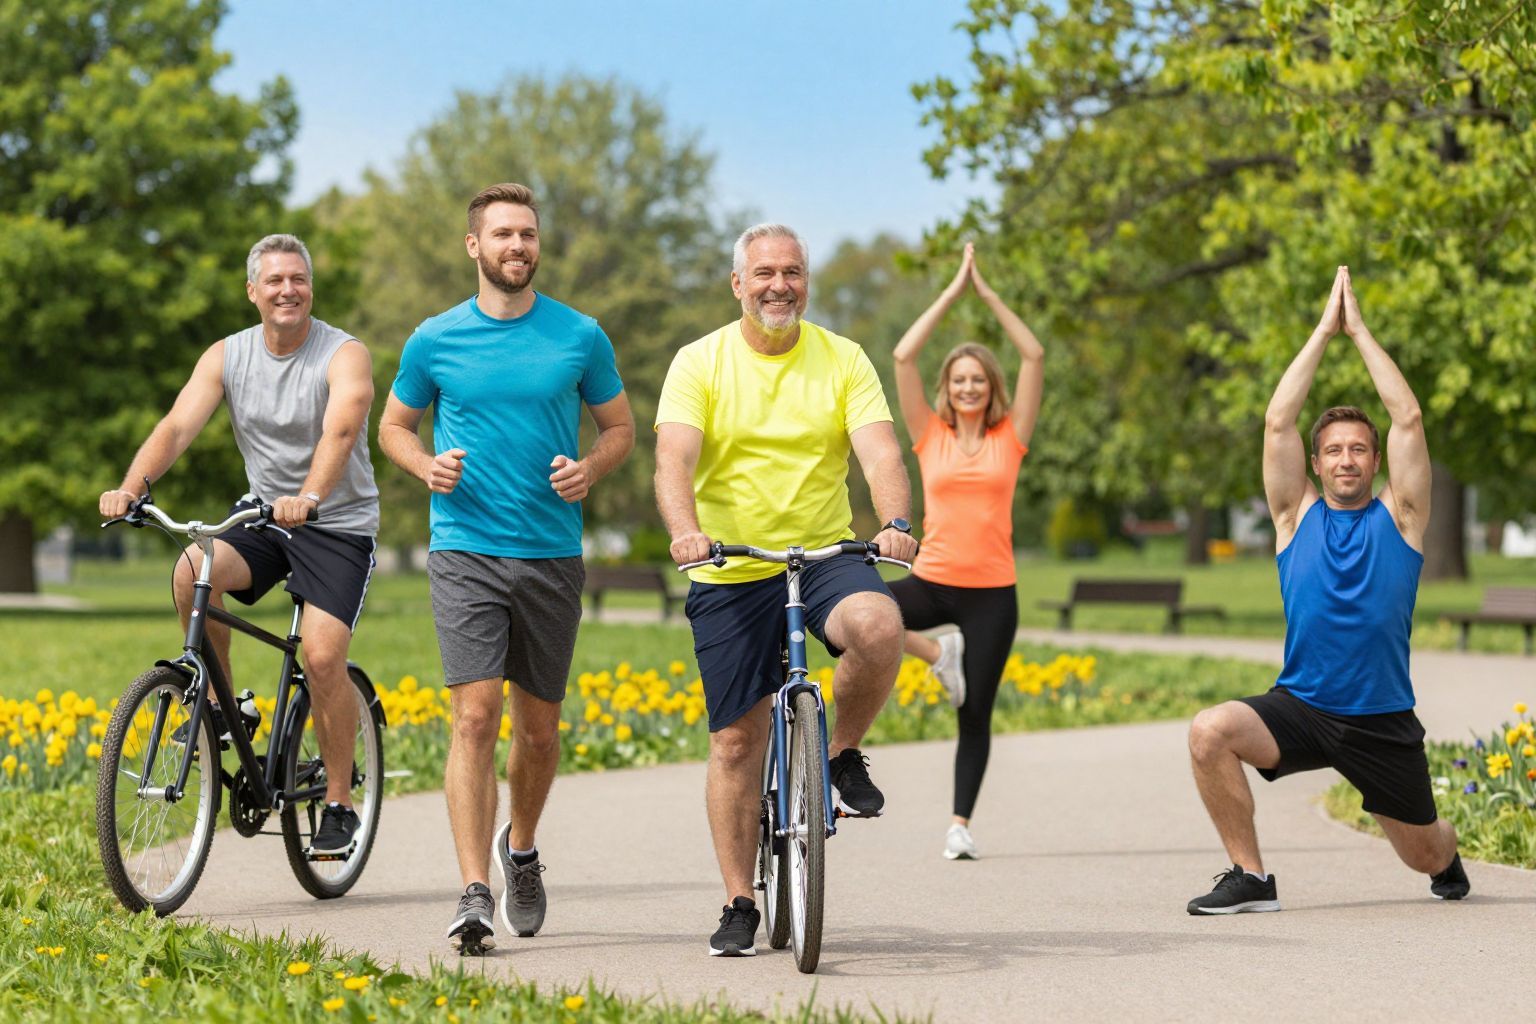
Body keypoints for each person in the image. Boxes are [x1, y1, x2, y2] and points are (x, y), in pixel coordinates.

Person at [378, 182, 634, 954]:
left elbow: (619, 428)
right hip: (465, 547)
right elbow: (393, 426)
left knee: (540, 731)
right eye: (502, 234)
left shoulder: (580, 335)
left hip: (551, 552)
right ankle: (473, 891)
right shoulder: (434, 340)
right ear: (474, 246)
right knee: (474, 716)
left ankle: (519, 849)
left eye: (527, 234)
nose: (517, 245)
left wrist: (590, 469)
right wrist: (424, 465)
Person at [654, 223, 921, 958]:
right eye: (765, 273)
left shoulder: (844, 358)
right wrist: (687, 531)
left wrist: (896, 523)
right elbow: (673, 460)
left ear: (807, 281)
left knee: (879, 626)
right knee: (736, 741)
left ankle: (839, 753)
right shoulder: (700, 361)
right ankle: (740, 900)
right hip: (731, 563)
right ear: (738, 284)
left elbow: (880, 454)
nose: (780, 285)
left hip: (822, 552)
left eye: (793, 272)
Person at [1185, 265, 1468, 915]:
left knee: (1424, 854)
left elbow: (1408, 417)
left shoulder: (1403, 518)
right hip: (1303, 708)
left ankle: (1446, 851)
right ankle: (1250, 877)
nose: (1346, 459)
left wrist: (1358, 331)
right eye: (1334, 450)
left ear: (1375, 461)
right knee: (1209, 732)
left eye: (1359, 450)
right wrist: (1322, 330)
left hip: (1381, 719)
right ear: (1315, 464)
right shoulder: (1294, 516)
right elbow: (1277, 422)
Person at [98, 233, 379, 858]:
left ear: (310, 288)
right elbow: (178, 425)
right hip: (263, 516)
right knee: (191, 570)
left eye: (298, 279)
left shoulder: (344, 354)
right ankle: (223, 709)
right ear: (253, 291)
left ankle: (339, 801)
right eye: (275, 280)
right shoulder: (228, 355)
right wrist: (131, 487)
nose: (288, 290)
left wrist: (309, 495)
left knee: (321, 657)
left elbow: (341, 429)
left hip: (336, 523)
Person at [888, 242, 1043, 862]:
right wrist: (953, 291)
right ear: (946, 390)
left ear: (991, 387)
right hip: (932, 580)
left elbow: (1034, 354)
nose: (969, 387)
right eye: (959, 380)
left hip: (993, 595)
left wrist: (989, 295)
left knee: (974, 713)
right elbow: (903, 355)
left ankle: (959, 825)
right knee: (857, 612)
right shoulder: (929, 434)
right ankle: (936, 653)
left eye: (978, 379)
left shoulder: (1012, 436)